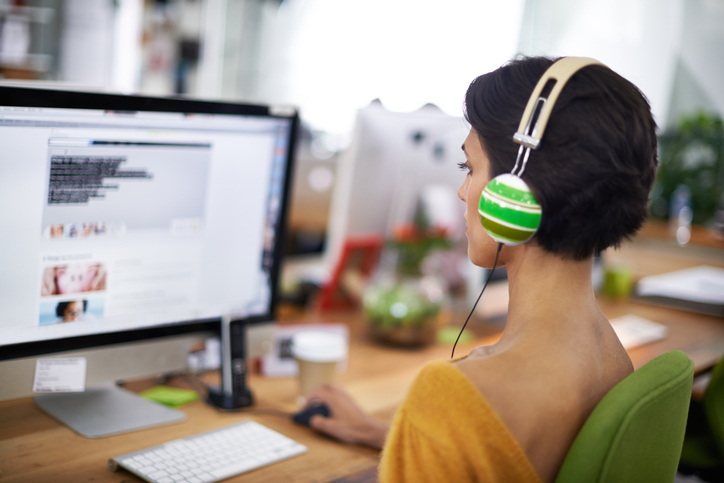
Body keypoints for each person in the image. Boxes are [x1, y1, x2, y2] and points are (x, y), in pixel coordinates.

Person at [301, 56, 658, 483]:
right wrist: (389, 434)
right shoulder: (611, 355)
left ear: (513, 197)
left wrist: (429, 424)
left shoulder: (462, 395)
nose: (461, 190)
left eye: (469, 168)